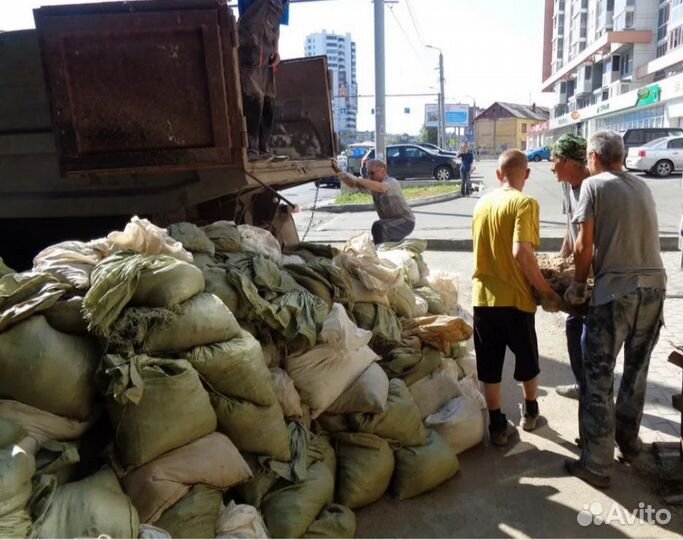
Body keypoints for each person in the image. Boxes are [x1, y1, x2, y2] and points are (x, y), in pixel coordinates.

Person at [564, 131, 666, 488]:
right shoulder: (642, 186)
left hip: (616, 294)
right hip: (654, 289)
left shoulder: (593, 186)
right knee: (636, 372)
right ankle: (629, 441)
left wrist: (578, 285)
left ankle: (596, 463)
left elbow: (583, 244)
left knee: (598, 376)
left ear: (593, 156)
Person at [472, 149, 562, 446]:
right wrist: (546, 290)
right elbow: (522, 253)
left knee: (489, 363)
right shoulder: (525, 203)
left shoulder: (482, 203)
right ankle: (531, 412)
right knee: (527, 359)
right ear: (526, 174)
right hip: (516, 299)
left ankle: (497, 426)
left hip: (483, 298)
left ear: (499, 175)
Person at [550, 134, 591, 401]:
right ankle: (582, 385)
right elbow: (571, 225)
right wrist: (561, 258)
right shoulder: (567, 184)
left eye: (555, 160)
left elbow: (590, 240)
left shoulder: (593, 187)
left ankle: (593, 393)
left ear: (566, 160)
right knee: (573, 327)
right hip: (578, 269)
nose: (552, 166)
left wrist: (580, 280)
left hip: (594, 276)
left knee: (590, 337)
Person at [237, 0, 290, 162]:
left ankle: (262, 149)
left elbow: (277, 24)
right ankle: (251, 149)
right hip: (250, 39)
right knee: (252, 94)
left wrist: (276, 49)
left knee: (268, 97)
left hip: (268, 45)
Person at [335, 159, 415, 244]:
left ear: (383, 172)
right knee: (386, 238)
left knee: (379, 226)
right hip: (390, 223)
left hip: (405, 222)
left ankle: (379, 253)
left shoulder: (391, 182)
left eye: (372, 173)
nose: (370, 176)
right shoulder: (374, 186)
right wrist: (338, 171)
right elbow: (353, 184)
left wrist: (357, 179)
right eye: (368, 173)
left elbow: (381, 188)